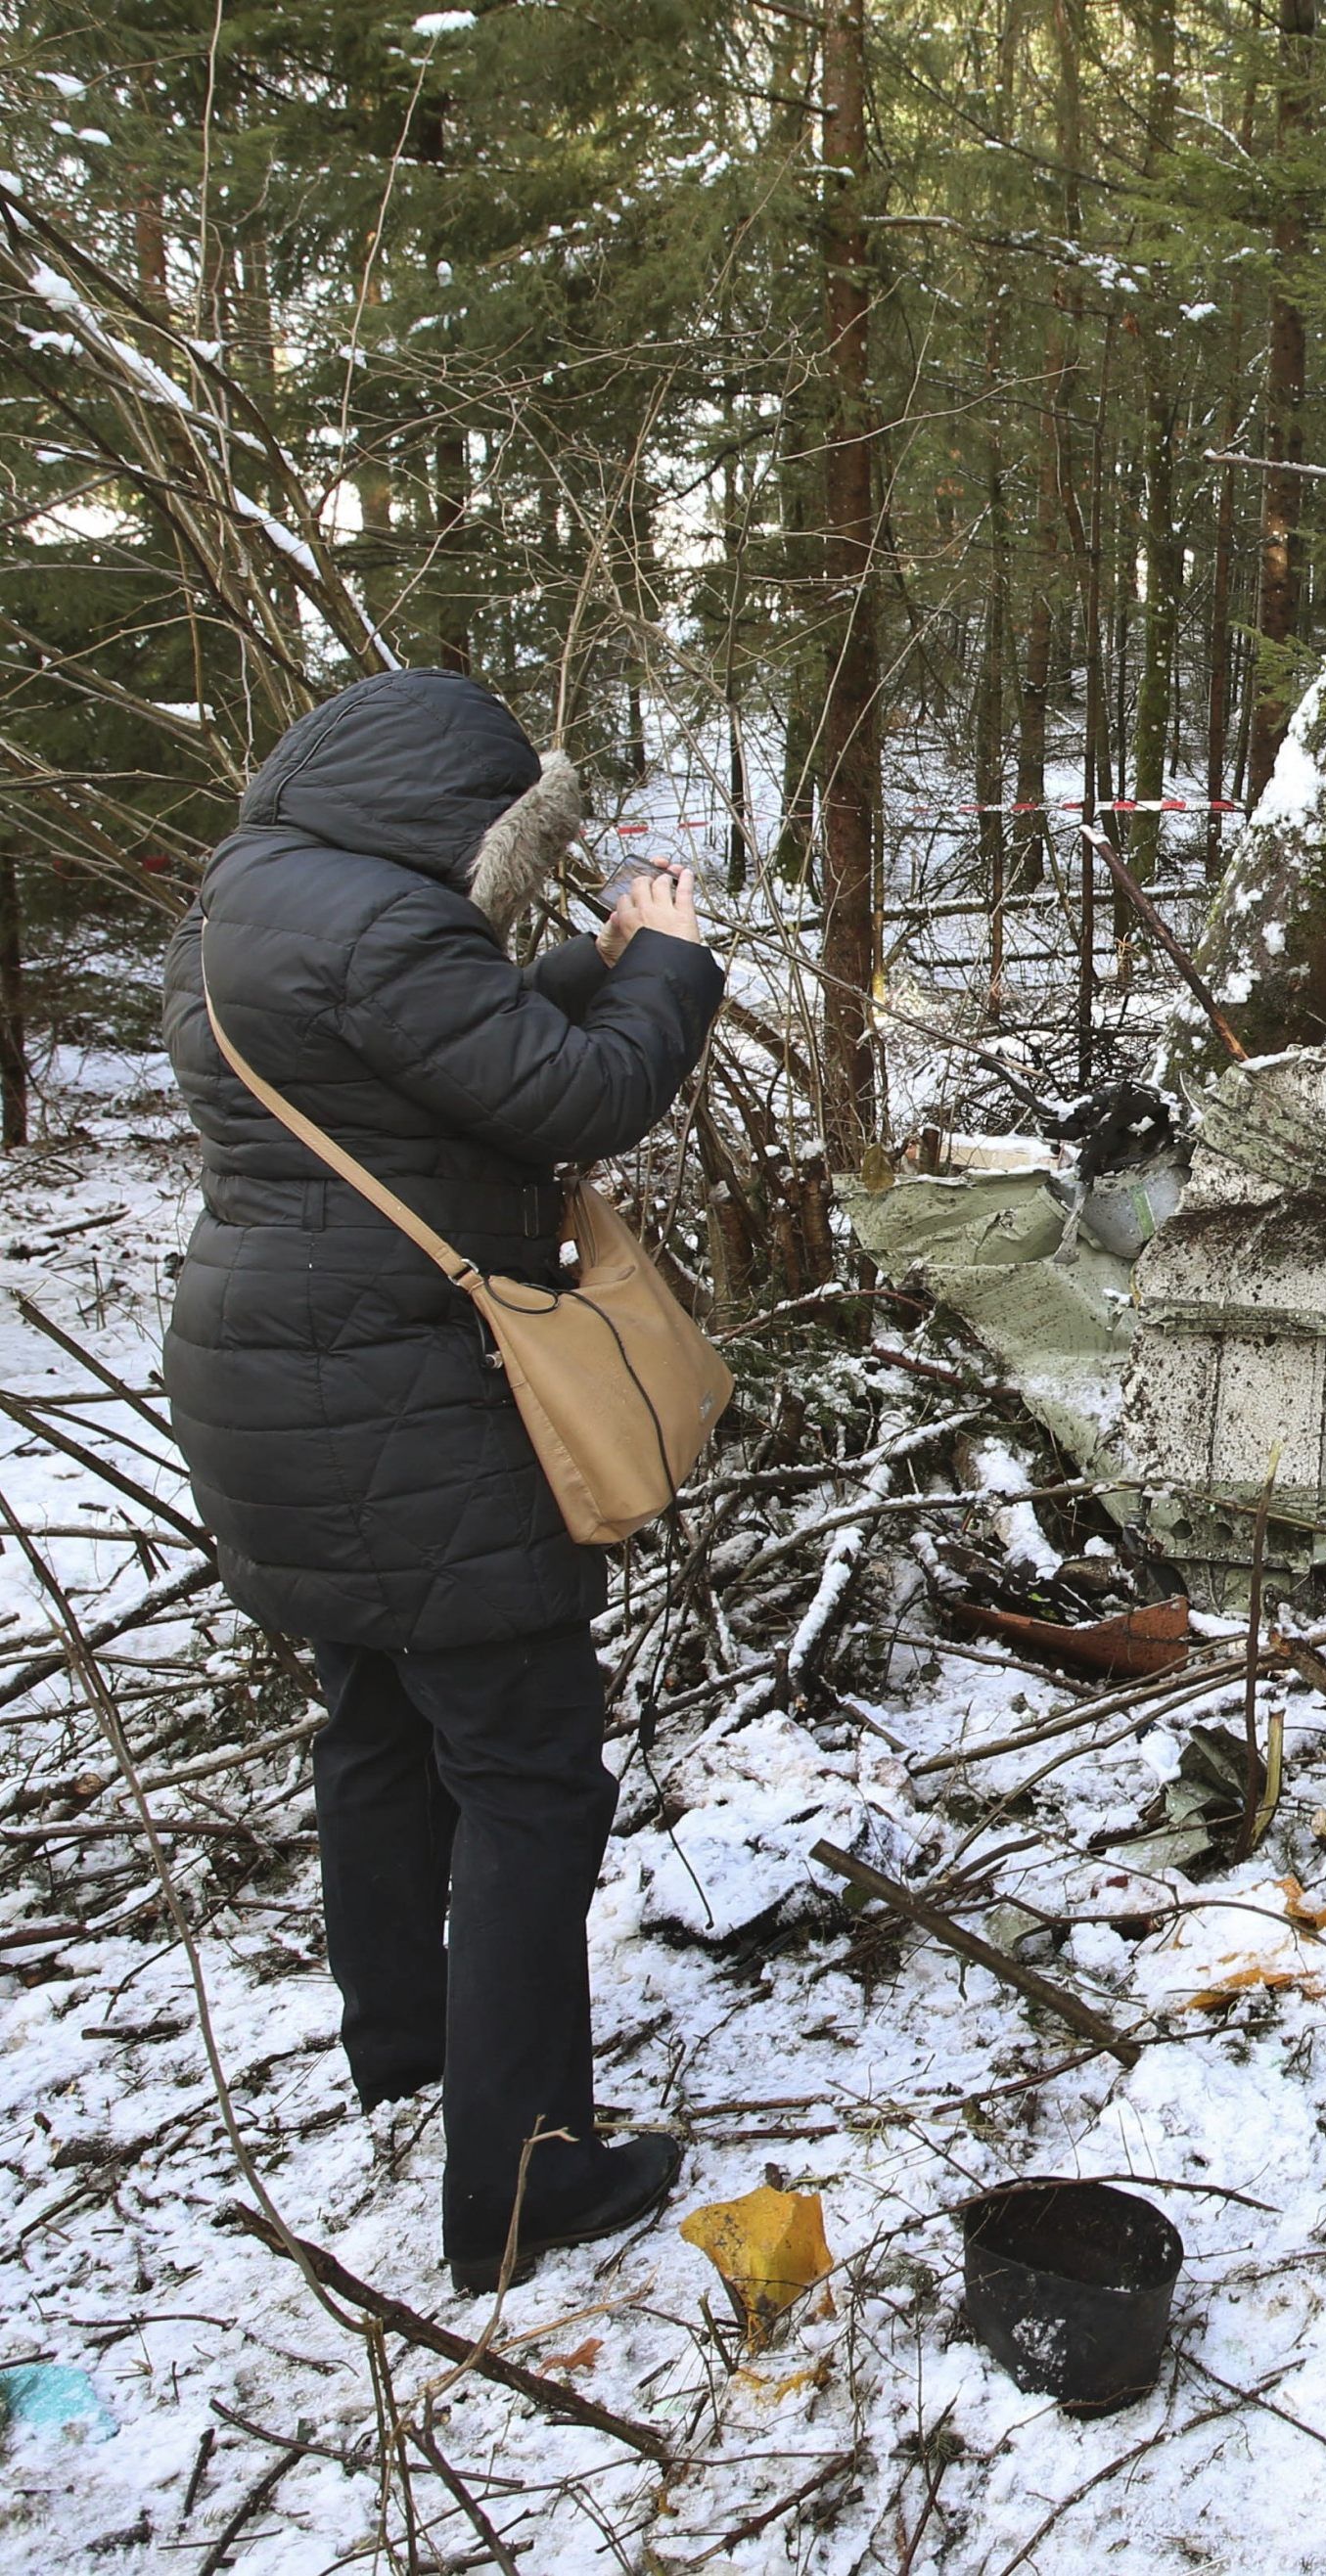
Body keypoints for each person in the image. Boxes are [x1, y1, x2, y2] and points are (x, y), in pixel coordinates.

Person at [160, 667, 725, 2294]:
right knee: (533, 1766)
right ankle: (526, 2177)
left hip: (279, 1377)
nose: (500, 853)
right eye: (497, 827)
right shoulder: (384, 927)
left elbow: (414, 1058)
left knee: (379, 1720)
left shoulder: (256, 900)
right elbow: (579, 1096)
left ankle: (407, 2043)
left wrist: (589, 963)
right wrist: (668, 972)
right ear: (437, 803)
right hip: (400, 1387)